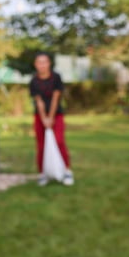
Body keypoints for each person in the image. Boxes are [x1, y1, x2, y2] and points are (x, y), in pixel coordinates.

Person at [29, 52, 74, 186]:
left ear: (49, 63)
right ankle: (43, 173)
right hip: (40, 116)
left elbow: (55, 98)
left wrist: (51, 117)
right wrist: (44, 118)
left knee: (59, 141)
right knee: (41, 145)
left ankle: (66, 171)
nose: (42, 65)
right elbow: (39, 102)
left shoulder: (56, 78)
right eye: (39, 62)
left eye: (45, 62)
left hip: (56, 115)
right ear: (36, 64)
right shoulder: (34, 81)